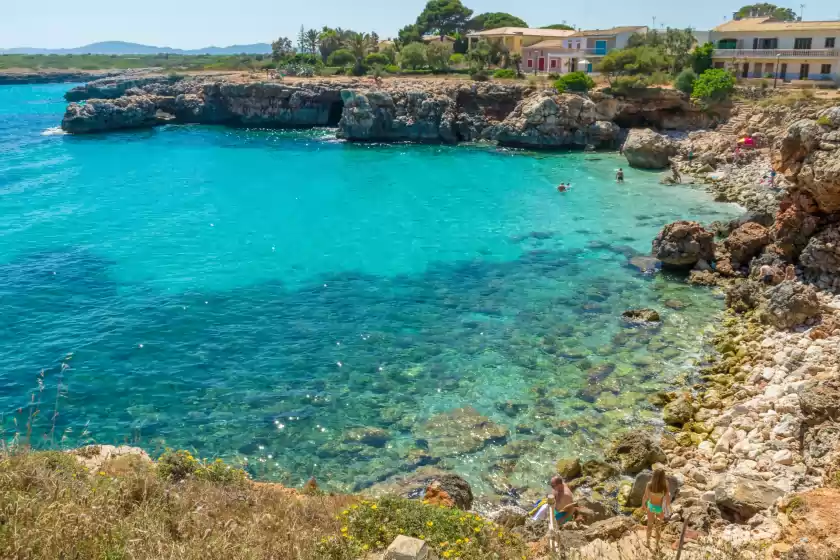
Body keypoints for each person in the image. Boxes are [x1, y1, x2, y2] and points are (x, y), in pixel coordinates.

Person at [642, 469, 672, 549]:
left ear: (654, 475)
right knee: (658, 527)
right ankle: (657, 545)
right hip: (660, 508)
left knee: (649, 526)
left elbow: (646, 496)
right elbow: (667, 497)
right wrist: (669, 507)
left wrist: (643, 505)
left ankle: (648, 543)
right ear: (663, 476)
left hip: (651, 507)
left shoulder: (649, 484)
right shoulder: (665, 484)